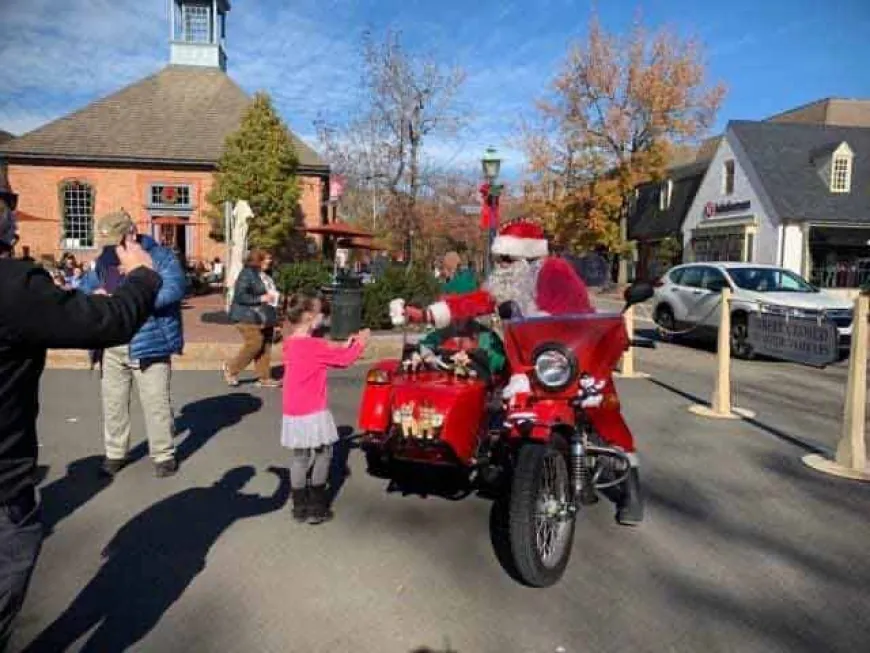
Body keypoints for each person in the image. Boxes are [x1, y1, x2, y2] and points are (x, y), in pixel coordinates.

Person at [392, 219, 645, 526]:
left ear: (529, 257)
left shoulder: (555, 272)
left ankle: (630, 483)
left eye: (507, 258)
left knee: (604, 409)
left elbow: (573, 315)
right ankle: (512, 468)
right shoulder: (507, 279)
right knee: (509, 409)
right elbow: (477, 301)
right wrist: (427, 314)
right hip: (528, 359)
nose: (501, 265)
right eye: (499, 259)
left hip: (567, 356)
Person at [0, 172, 162, 650]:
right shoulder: (12, 283)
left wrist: (71, 306)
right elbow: (108, 321)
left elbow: (74, 307)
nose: (13, 215)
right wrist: (142, 276)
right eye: (8, 202)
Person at [80, 210, 186, 478]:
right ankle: (115, 453)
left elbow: (174, 289)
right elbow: (84, 287)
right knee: (113, 403)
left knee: (156, 402)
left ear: (131, 233)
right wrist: (95, 295)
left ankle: (163, 454)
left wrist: (131, 300)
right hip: (111, 344)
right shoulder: (103, 260)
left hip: (148, 340)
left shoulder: (159, 256)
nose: (112, 249)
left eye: (117, 241)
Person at [281, 294, 369, 524]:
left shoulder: (290, 343)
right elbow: (344, 360)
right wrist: (360, 343)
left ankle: (299, 505)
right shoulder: (315, 345)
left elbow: (322, 352)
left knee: (300, 457)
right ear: (310, 317)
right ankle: (317, 505)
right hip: (313, 409)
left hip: (293, 409)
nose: (325, 317)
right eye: (321, 313)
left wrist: (341, 344)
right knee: (323, 453)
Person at [224, 250, 281, 388]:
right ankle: (231, 369)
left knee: (266, 345)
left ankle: (264, 377)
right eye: (267, 259)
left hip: (265, 315)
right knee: (255, 343)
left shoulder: (266, 274)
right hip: (246, 315)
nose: (270, 261)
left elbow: (269, 291)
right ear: (258, 259)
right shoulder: (247, 274)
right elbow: (240, 296)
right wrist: (261, 298)